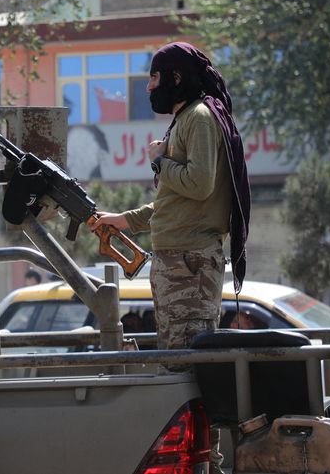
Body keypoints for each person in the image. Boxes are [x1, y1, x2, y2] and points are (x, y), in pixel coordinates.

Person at [91, 41, 251, 352]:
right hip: (178, 261)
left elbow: (199, 184)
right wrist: (123, 221)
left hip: (190, 262)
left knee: (186, 361)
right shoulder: (185, 120)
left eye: (154, 78)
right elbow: (175, 204)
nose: (149, 87)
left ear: (176, 78)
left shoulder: (200, 118)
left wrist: (159, 162)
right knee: (176, 357)